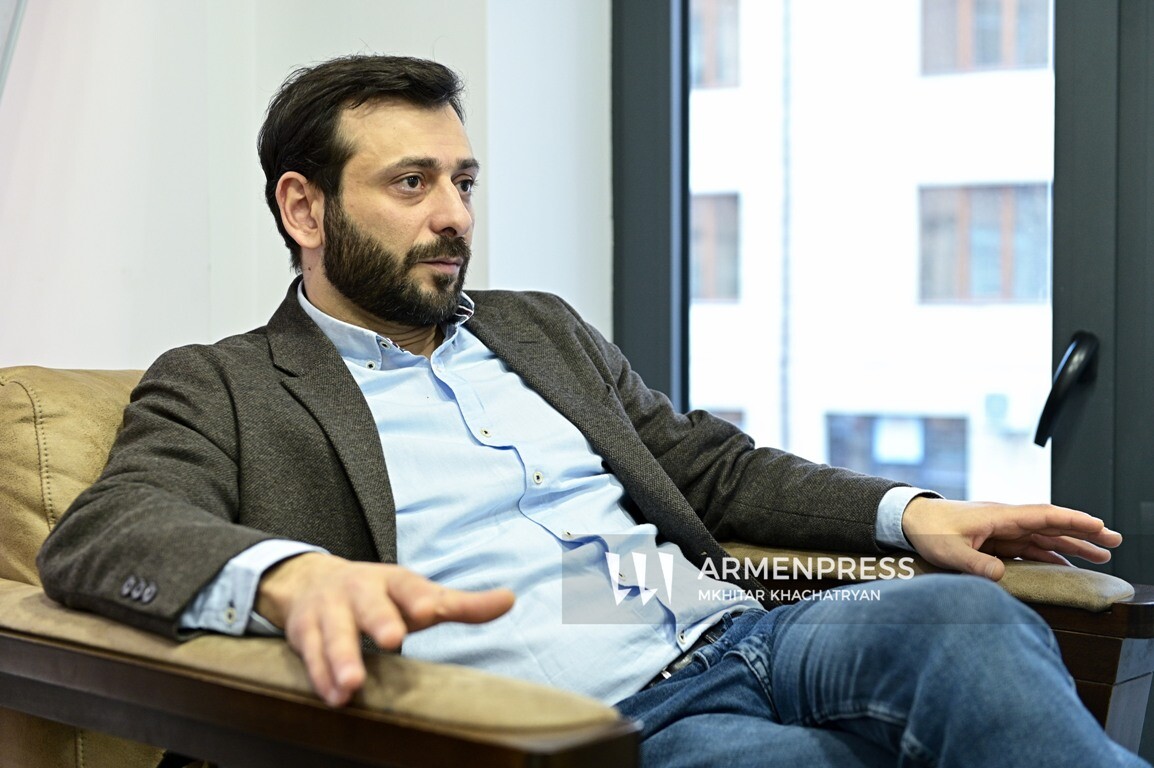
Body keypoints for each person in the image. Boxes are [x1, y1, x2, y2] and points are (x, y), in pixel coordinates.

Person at [36, 54, 1147, 767]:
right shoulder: (224, 381)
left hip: (737, 631)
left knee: (967, 620)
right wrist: (293, 577)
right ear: (304, 208)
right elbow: (107, 532)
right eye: (411, 183)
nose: (453, 215)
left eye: (463, 181)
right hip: (588, 726)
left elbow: (704, 467)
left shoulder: (537, 327)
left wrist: (910, 514)